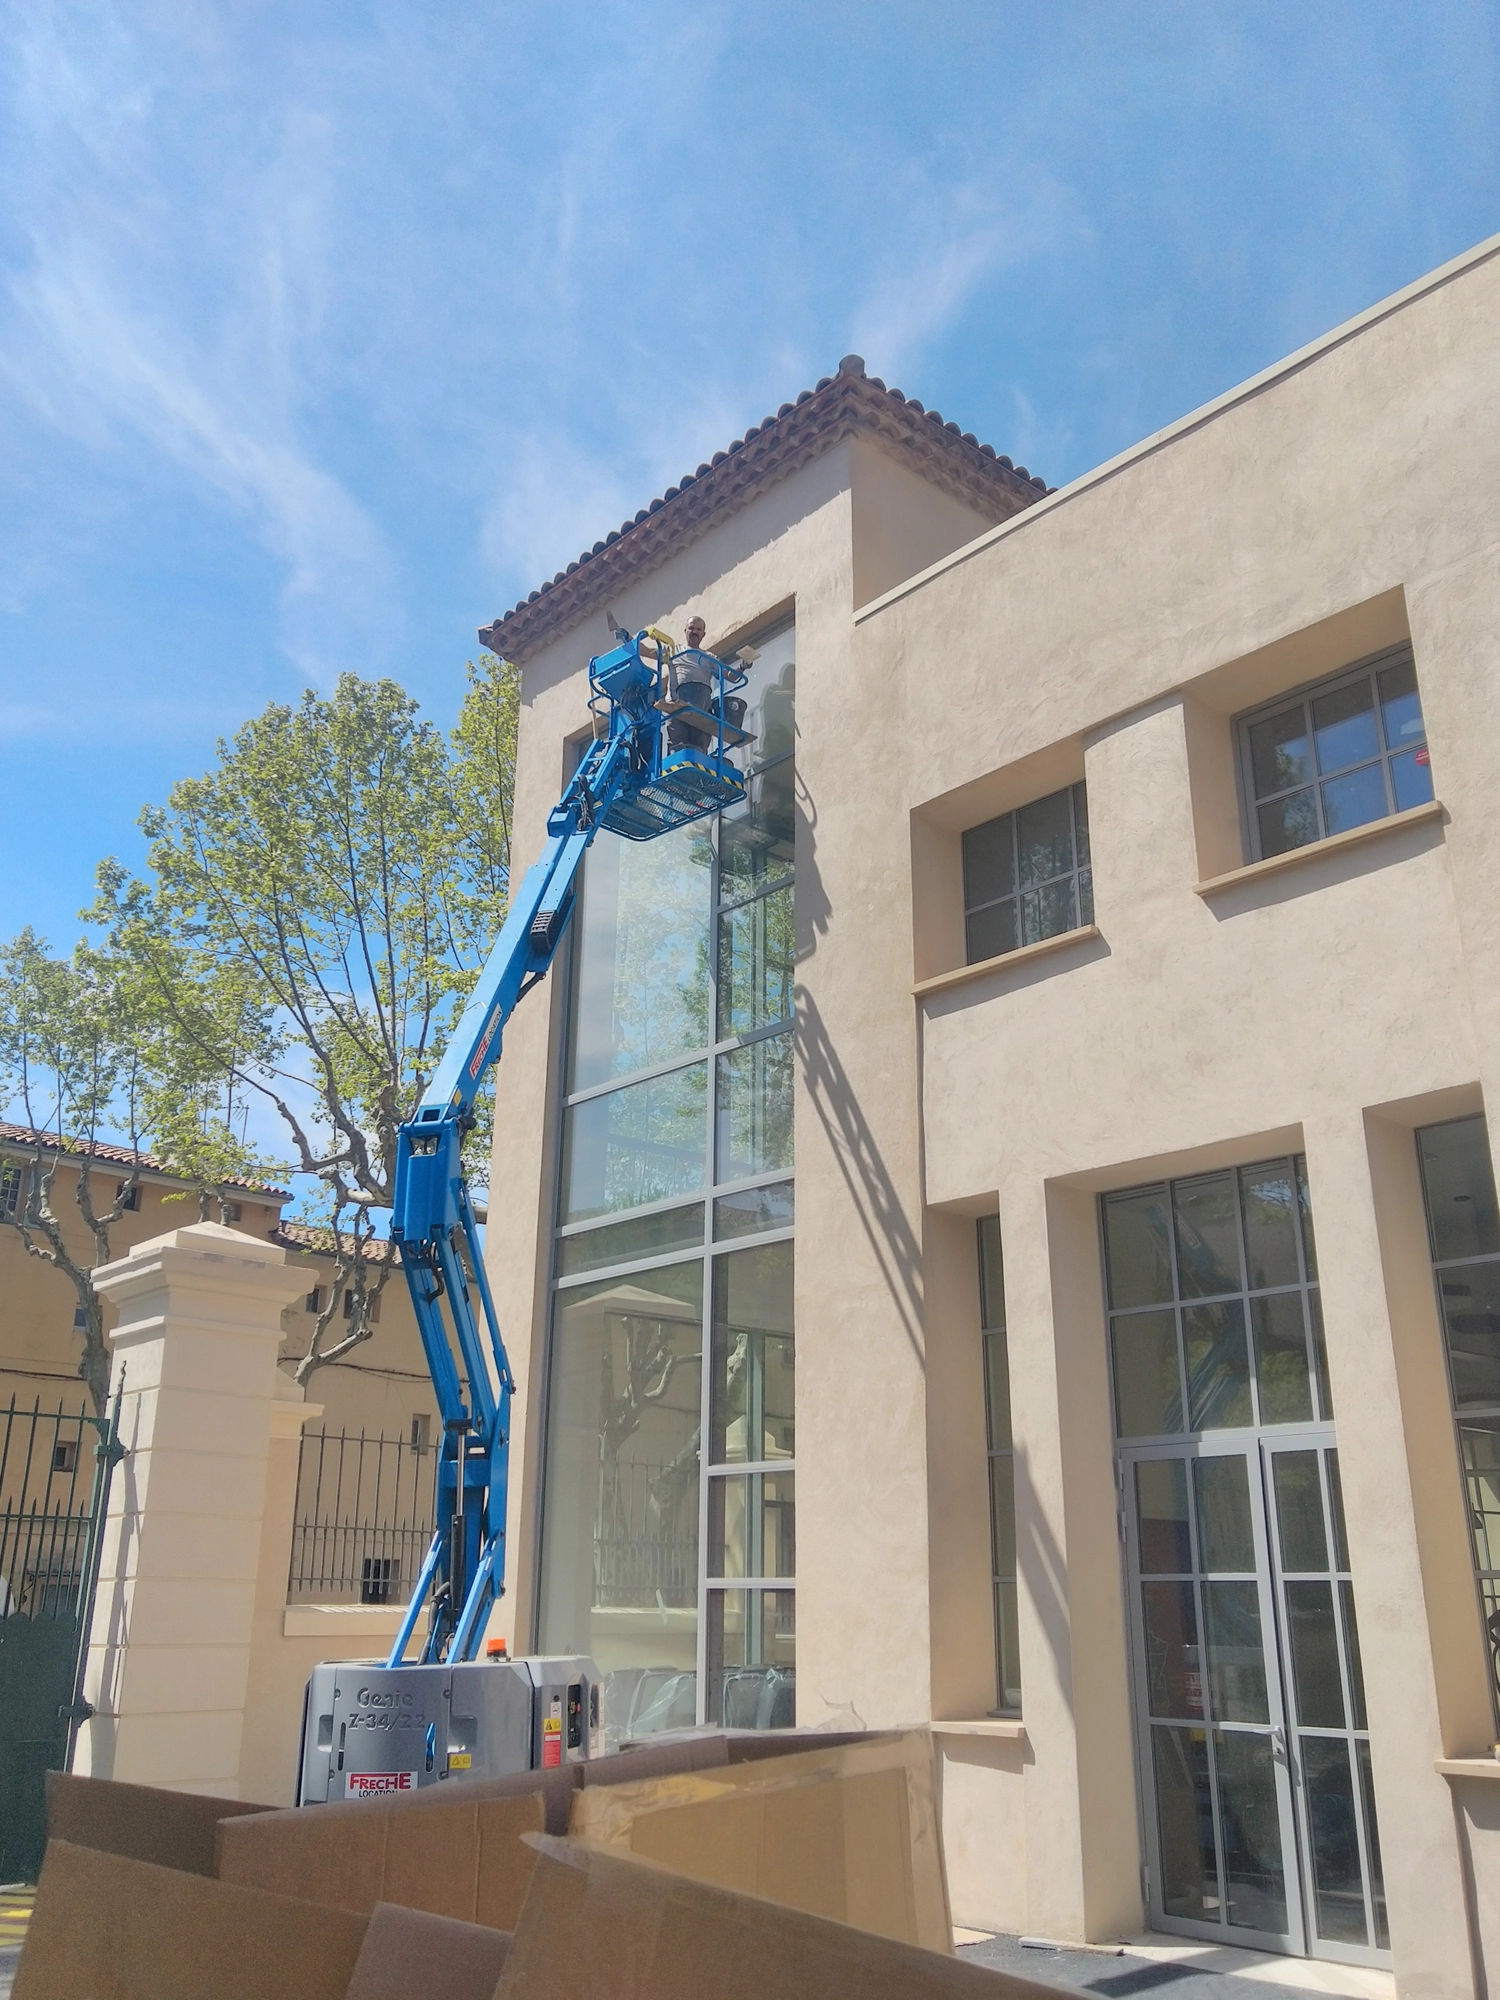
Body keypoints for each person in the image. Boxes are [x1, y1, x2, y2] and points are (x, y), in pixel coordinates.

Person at [667, 615, 715, 751]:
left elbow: (729, 676)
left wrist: (743, 665)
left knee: (699, 742)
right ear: (685, 631)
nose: (694, 632)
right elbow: (648, 652)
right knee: (678, 743)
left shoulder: (709, 657)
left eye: (698, 629)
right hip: (677, 705)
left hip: (701, 704)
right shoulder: (674, 650)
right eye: (691, 628)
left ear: (703, 634)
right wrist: (629, 639)